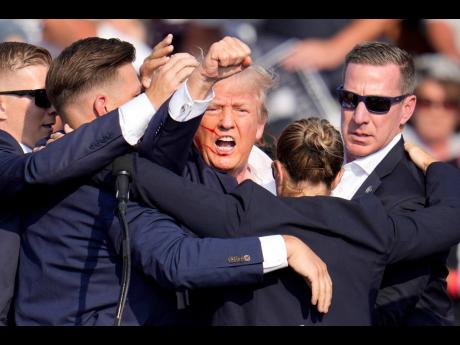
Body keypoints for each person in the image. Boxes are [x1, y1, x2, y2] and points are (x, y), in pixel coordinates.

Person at [131, 41, 457, 325]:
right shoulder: (374, 224)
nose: (359, 116)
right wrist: (436, 167)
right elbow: (451, 217)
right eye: (348, 98)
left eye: (377, 103)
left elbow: (147, 174)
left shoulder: (248, 210)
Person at [16, 36, 331, 325]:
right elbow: (178, 261)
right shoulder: (105, 180)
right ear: (104, 107)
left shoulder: (48, 167)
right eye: (140, 96)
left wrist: (196, 85)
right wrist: (283, 249)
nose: (150, 104)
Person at [0, 41, 166, 326]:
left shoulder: (43, 150)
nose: (53, 109)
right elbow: (32, 172)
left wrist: (134, 90)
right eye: (42, 97)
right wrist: (147, 103)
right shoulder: (23, 162)